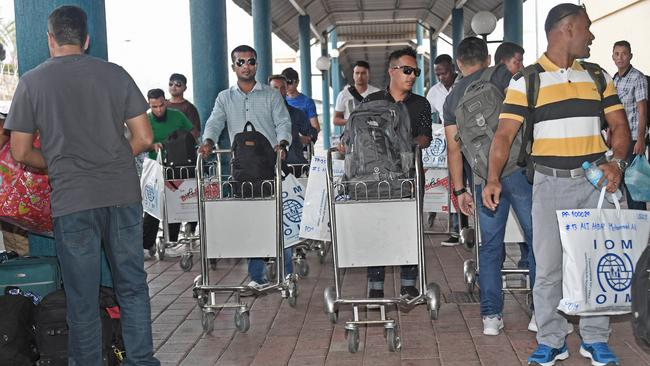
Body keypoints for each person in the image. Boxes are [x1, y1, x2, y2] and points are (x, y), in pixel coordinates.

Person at [5, 5, 159, 365]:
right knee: (132, 286)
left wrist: (58, 164)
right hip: (121, 194)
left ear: (50, 39)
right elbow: (144, 136)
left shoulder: (31, 82)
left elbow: (20, 151)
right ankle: (142, 361)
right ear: (86, 39)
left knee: (82, 296)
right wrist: (112, 159)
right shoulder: (116, 75)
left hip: (72, 200)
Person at [482, 4, 629, 365]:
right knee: (548, 266)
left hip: (596, 185)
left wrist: (617, 163)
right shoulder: (527, 80)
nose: (591, 35)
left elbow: (621, 127)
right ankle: (552, 338)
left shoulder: (598, 76)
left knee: (595, 262)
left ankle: (594, 339)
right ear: (566, 29)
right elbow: (503, 135)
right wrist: (492, 178)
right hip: (548, 185)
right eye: (586, 28)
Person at [442, 36, 534, 336]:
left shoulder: (452, 99)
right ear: (487, 57)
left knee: (491, 247)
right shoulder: (503, 75)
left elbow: (453, 149)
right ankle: (539, 313)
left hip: (483, 179)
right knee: (536, 241)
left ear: (458, 63)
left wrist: (459, 190)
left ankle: (491, 316)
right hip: (519, 171)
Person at [199, 45, 292, 289]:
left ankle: (287, 271)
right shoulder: (224, 98)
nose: (246, 66)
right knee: (252, 219)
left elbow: (283, 122)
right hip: (241, 169)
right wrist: (208, 141)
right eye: (240, 62)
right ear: (233, 67)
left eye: (250, 61)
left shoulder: (271, 95)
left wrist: (282, 143)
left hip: (269, 167)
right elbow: (215, 121)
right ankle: (257, 276)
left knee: (276, 216)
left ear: (256, 64)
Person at [361, 47, 432, 299]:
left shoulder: (420, 103)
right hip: (376, 179)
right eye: (407, 70)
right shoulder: (371, 102)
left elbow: (425, 137)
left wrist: (408, 143)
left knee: (409, 228)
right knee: (377, 229)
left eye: (416, 71)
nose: (412, 76)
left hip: (410, 177)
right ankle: (376, 286)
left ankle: (408, 283)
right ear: (392, 71)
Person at [142, 88, 194, 258]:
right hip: (155, 167)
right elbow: (141, 142)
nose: (158, 110)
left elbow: (192, 134)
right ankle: (146, 244)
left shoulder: (177, 116)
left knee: (175, 203)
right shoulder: (146, 120)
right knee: (153, 205)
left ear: (165, 101)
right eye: (154, 106)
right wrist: (152, 145)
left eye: (161, 105)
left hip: (177, 166)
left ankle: (172, 241)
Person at [494, 42, 531, 269]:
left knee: (494, 234)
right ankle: (527, 262)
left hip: (490, 169)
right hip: (518, 164)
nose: (521, 66)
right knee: (530, 226)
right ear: (503, 62)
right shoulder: (513, 83)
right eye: (517, 61)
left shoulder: (481, 84)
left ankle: (495, 270)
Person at [424, 54, 464, 246]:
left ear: (453, 68)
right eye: (438, 74)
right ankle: (457, 229)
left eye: (445, 73)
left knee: (468, 185)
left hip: (469, 143)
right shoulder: (433, 92)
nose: (441, 77)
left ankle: (470, 229)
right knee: (453, 185)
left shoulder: (464, 84)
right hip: (448, 145)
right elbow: (427, 117)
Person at [612, 40, 647, 210]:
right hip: (618, 141)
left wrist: (641, 139)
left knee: (635, 186)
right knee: (619, 183)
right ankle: (625, 226)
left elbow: (642, 110)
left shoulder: (637, 78)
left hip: (633, 140)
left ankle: (640, 228)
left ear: (630, 56)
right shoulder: (614, 80)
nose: (620, 57)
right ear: (613, 57)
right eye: (617, 54)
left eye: (624, 53)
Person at [268, 74, 318, 165]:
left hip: (293, 164)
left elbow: (312, 132)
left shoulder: (296, 113)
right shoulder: (262, 114)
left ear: (286, 89)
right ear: (269, 90)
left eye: (282, 88)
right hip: (267, 163)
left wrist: (306, 138)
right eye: (275, 88)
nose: (279, 91)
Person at [333, 60, 381, 126]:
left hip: (372, 134)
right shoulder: (343, 94)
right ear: (353, 75)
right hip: (351, 135)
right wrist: (351, 121)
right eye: (357, 73)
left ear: (368, 75)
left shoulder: (377, 93)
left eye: (363, 73)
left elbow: (383, 116)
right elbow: (336, 120)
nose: (360, 76)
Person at [281, 67, 321, 137]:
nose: (286, 86)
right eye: (284, 83)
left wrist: (303, 138)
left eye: (289, 82)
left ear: (297, 82)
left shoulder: (307, 102)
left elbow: (316, 127)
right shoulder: (279, 101)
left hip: (302, 143)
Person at [167, 73, 200, 138]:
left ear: (185, 88)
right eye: (171, 84)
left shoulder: (189, 108)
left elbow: (196, 133)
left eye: (178, 84)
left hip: (182, 145)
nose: (173, 87)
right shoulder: (162, 105)